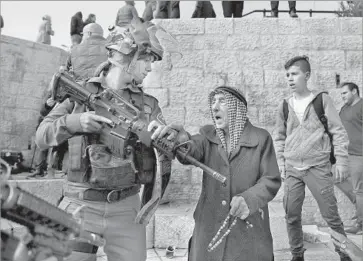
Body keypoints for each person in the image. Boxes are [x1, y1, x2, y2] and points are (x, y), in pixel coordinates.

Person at [35, 17, 179, 261]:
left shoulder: (147, 106)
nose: (149, 68)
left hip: (126, 209)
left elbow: (170, 144)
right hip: (80, 204)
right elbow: (41, 136)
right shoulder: (80, 94)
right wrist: (75, 122)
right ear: (126, 56)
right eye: (146, 59)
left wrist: (172, 136)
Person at [152, 86, 282, 261]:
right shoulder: (208, 137)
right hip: (210, 224)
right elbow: (191, 149)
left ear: (237, 108)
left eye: (222, 101)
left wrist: (249, 199)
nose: (214, 107)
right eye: (213, 102)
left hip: (247, 229)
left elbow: (271, 180)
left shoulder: (261, 138)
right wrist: (179, 139)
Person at [273, 56, 352, 261]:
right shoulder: (284, 105)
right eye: (288, 75)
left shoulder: (321, 100)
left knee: (331, 216)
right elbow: (279, 137)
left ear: (306, 75)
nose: (290, 78)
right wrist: (282, 164)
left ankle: (345, 255)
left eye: (295, 74)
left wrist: (342, 161)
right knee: (291, 215)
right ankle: (297, 255)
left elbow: (338, 131)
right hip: (292, 169)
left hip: (317, 167)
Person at [335, 82, 363, 235]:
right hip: (345, 154)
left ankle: (361, 225)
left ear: (354, 91)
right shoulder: (344, 108)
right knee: (335, 177)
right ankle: (360, 208)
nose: (342, 96)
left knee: (359, 190)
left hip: (359, 154)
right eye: (341, 94)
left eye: (345, 93)